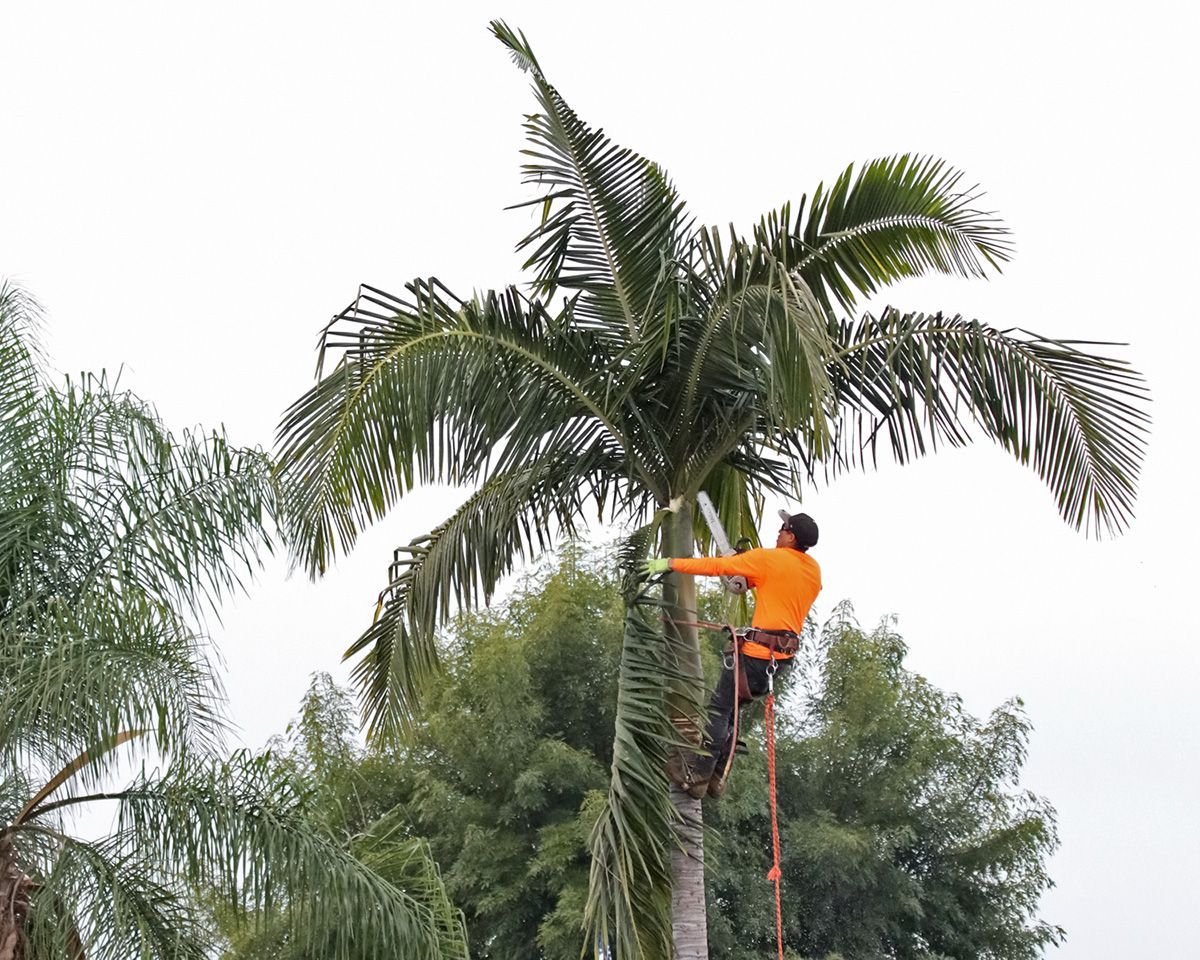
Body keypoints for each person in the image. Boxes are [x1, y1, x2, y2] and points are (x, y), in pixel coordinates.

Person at [643, 509, 821, 798]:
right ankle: (716, 776)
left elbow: (716, 567)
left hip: (756, 656)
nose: (777, 532)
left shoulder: (768, 559)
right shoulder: (813, 572)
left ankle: (698, 774)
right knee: (731, 713)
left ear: (791, 536)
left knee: (719, 709)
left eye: (782, 529)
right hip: (780, 663)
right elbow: (776, 591)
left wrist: (670, 563)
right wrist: (748, 577)